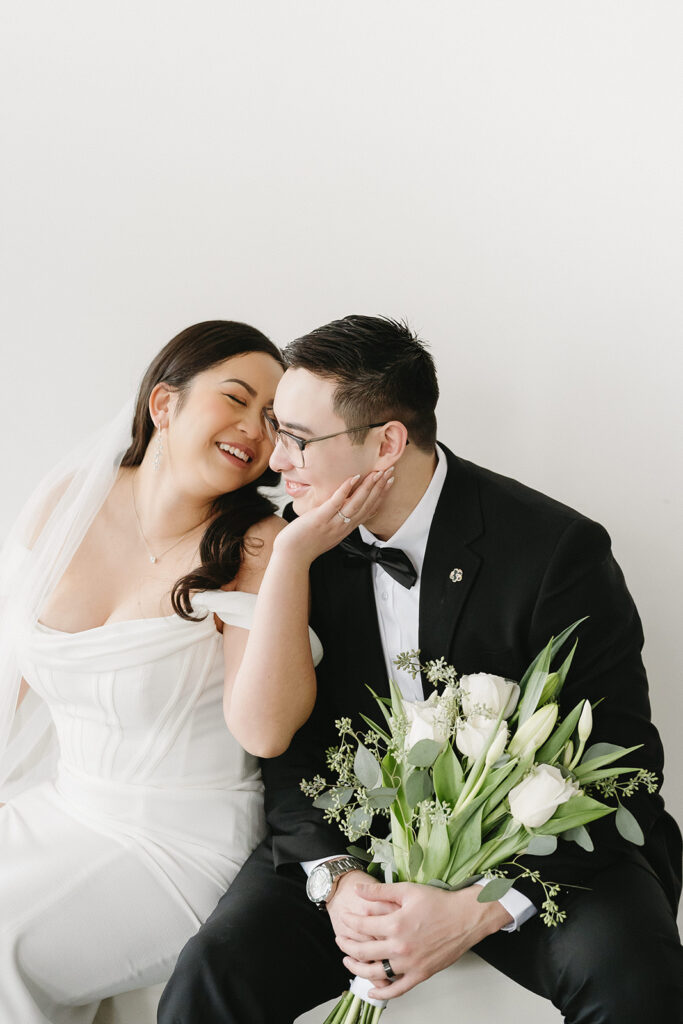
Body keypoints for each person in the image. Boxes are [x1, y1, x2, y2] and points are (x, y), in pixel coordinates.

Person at [159, 314, 683, 1024]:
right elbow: (287, 755)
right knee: (209, 978)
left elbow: (623, 763)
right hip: (354, 843)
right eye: (278, 431)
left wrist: (477, 909)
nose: (274, 459)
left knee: (632, 979)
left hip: (534, 850)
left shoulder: (556, 550)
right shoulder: (294, 545)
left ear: (387, 443)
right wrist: (337, 881)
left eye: (299, 439)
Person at [0, 319, 388, 1024]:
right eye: (235, 399)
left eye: (274, 422)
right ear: (163, 404)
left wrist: (293, 558)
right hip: (61, 808)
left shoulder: (258, 547)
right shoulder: (68, 500)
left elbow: (264, 731)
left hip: (177, 843)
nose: (253, 430)